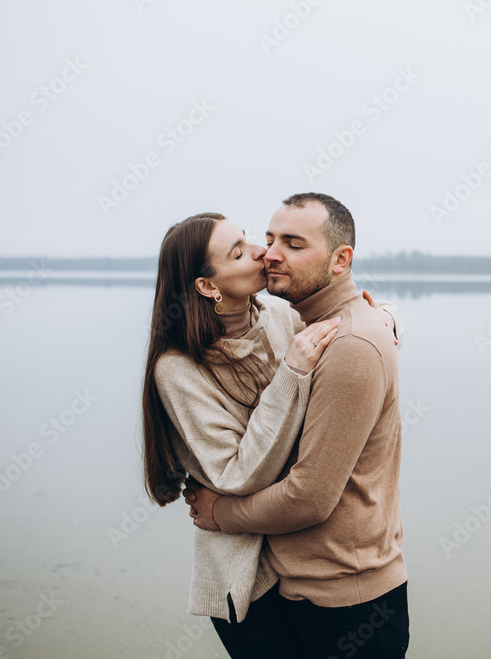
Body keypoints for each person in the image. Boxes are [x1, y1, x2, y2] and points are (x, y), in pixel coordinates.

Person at [140, 211, 400, 657]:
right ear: (207, 285)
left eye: (249, 239)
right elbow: (237, 476)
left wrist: (385, 319)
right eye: (238, 251)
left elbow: (348, 332)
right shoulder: (178, 369)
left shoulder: (281, 317)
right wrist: (292, 372)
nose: (262, 252)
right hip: (248, 581)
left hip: (307, 567)